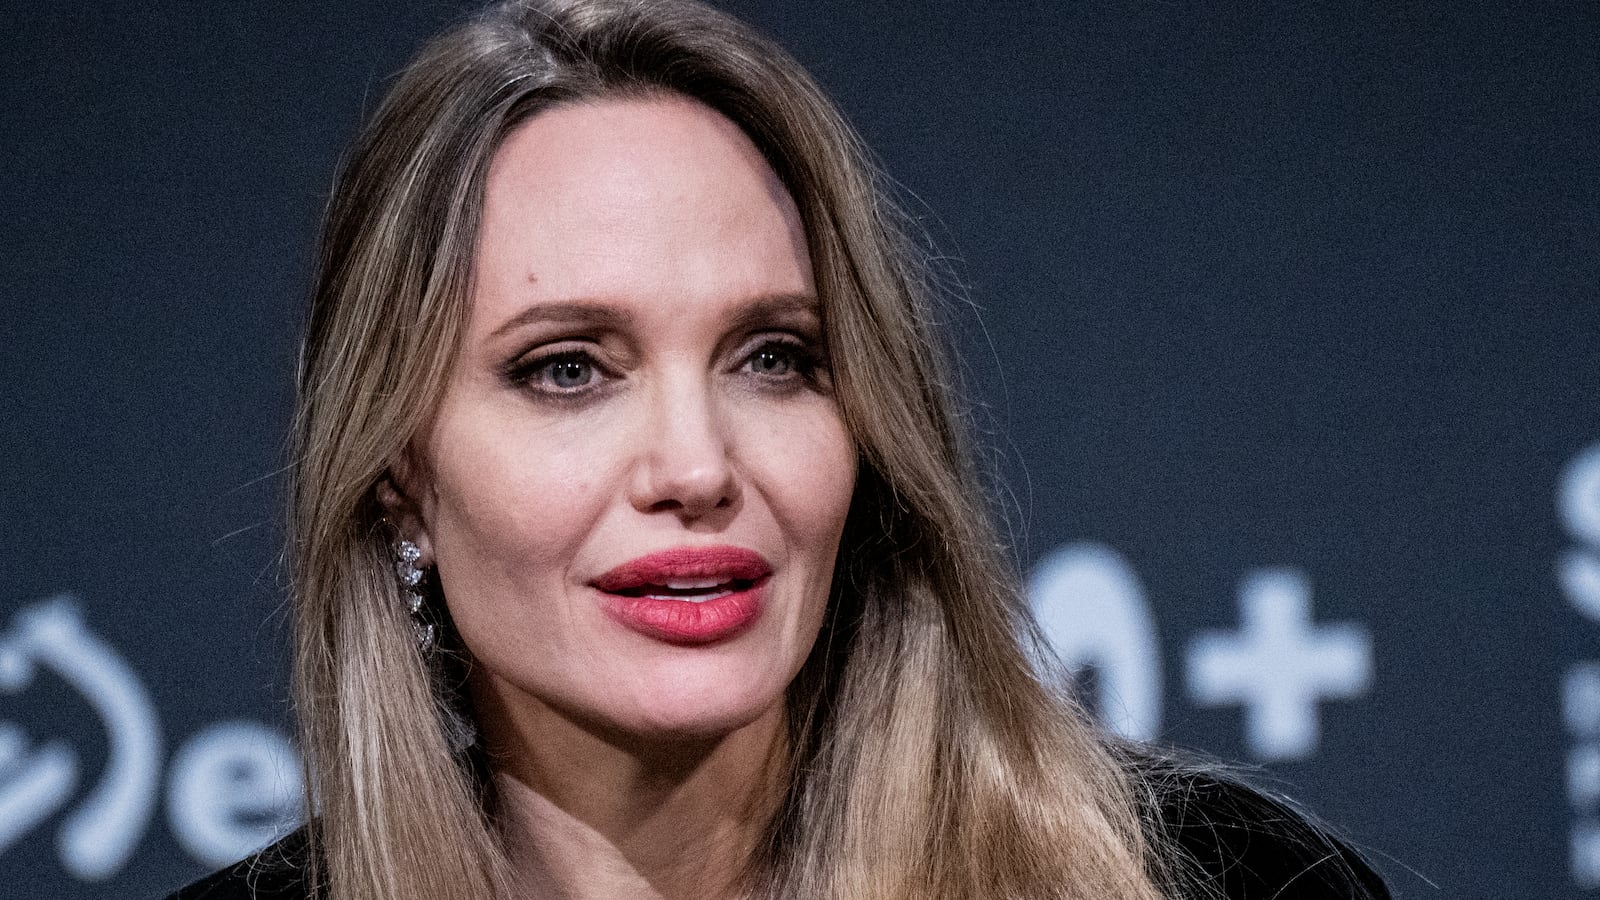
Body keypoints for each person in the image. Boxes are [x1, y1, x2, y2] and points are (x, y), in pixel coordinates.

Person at [169, 1, 1391, 898]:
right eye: (568, 370)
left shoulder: (1224, 886)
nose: (697, 468)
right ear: (398, 479)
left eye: (773, 358)